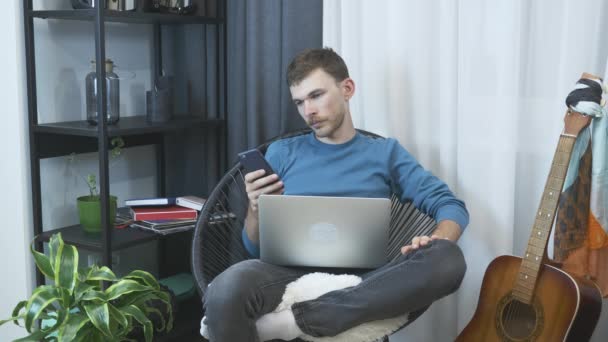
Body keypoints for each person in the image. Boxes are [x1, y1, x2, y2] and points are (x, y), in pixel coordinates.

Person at [203, 48, 468, 342]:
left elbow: (450, 205)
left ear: (347, 89)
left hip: (365, 281)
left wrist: (434, 240)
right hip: (285, 273)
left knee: (448, 259)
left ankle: (295, 322)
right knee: (224, 288)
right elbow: (253, 251)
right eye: (299, 102)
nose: (308, 112)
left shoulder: (385, 153)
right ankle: (315, 318)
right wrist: (255, 209)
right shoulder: (281, 153)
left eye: (316, 96)